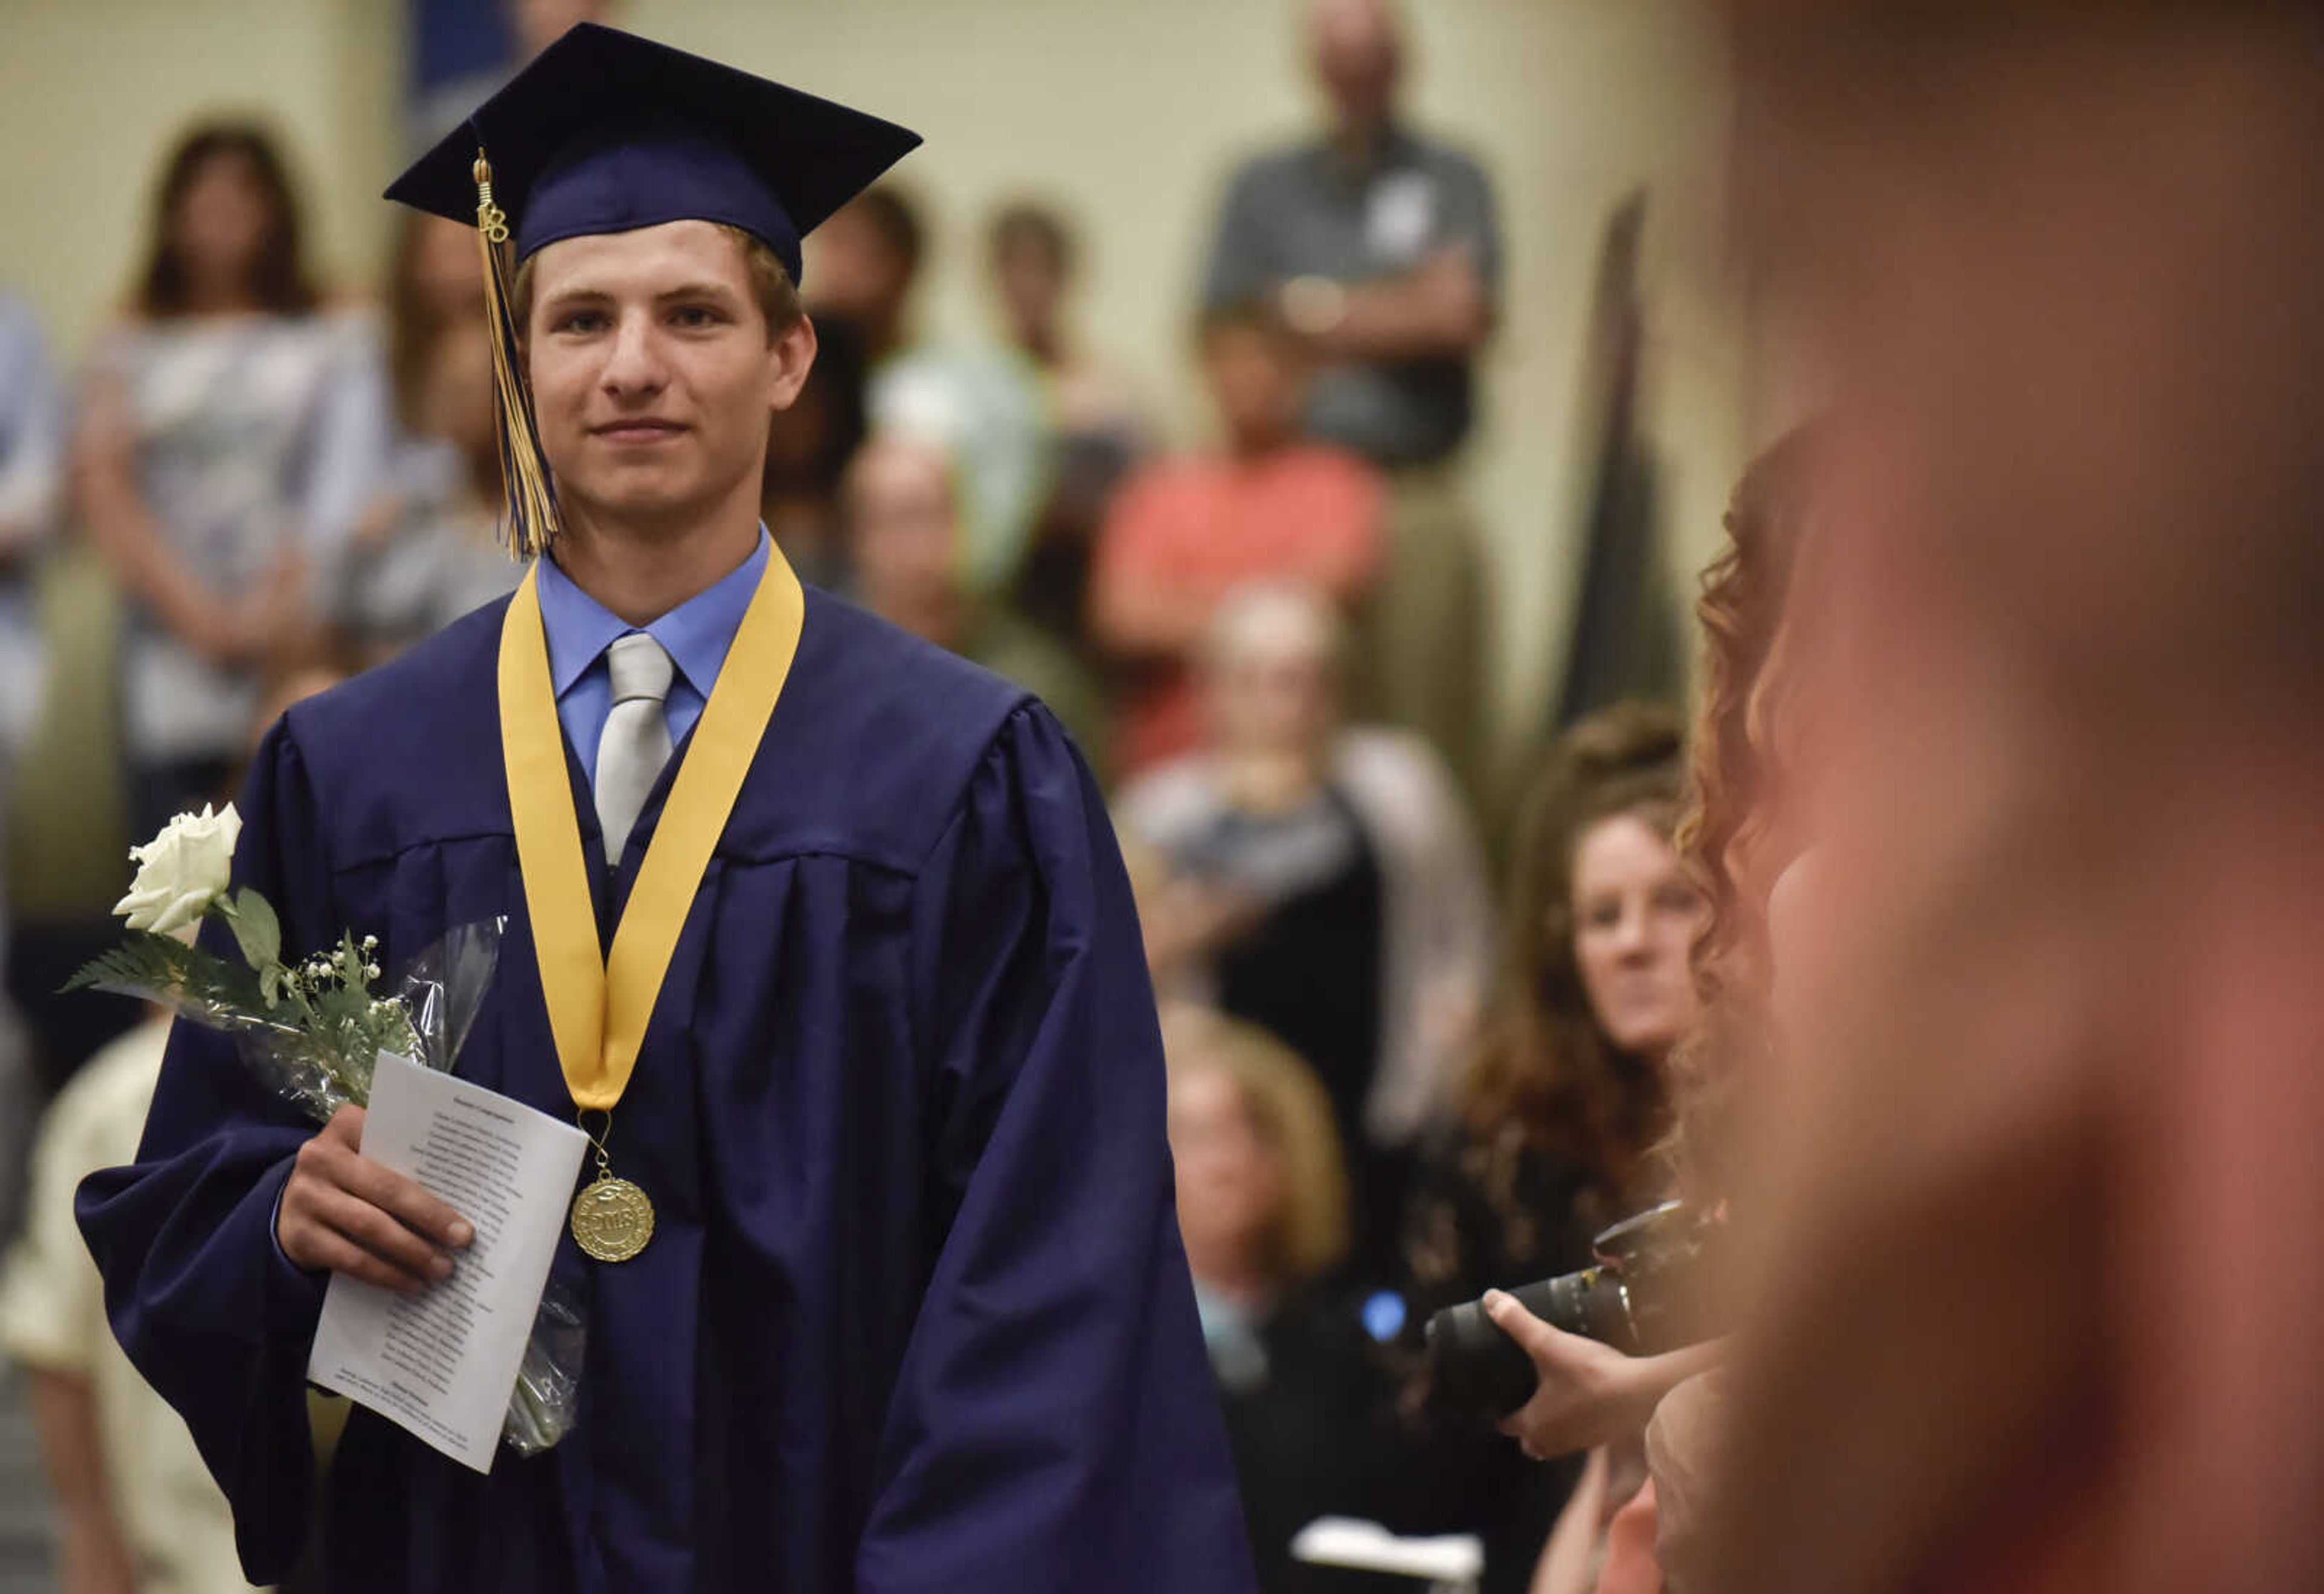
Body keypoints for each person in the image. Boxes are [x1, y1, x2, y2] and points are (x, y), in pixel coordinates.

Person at [76, 24, 1253, 1594]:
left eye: (693, 312)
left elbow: (1055, 1287)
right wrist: (285, 1226)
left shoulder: (966, 780)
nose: (632, 362)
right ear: (520, 360)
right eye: (581, 318)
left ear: (790, 358)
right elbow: (192, 1201)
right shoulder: (355, 775)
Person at [1380, 702, 1703, 1594]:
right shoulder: (1505, 1132)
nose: (1633, 943)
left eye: (1674, 902)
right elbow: (1431, 1416)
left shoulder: (1783, 1113)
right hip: (1542, 1522)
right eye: (1603, 917)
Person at [1117, 581, 1492, 1280]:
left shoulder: (1401, 787)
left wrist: (1450, 1050)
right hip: (1228, 1124)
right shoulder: (1162, 815)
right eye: (1258, 680)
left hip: (1380, 1106)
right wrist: (1185, 931)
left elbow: (1460, 931)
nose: (1286, 703)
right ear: (1214, 691)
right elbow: (1114, 983)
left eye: (1306, 679)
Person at [1200, 0, 1500, 796]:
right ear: (1315, 67)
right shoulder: (1261, 185)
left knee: (1432, 738)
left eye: (1373, 56)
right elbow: (1231, 328)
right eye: (1340, 58)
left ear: (1402, 62)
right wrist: (1403, 308)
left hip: (1416, 493)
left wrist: (1311, 311)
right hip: (1293, 489)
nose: (1357, 75)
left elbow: (1460, 314)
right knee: (1292, 727)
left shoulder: (1452, 176)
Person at [73, 118, 389, 840]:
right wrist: (196, 613)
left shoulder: (333, 323)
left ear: (278, 209)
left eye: (241, 198)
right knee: (177, 885)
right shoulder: (131, 332)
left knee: (297, 870)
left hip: (302, 628)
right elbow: (102, 482)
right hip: (169, 638)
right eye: (202, 200)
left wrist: (284, 600)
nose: (221, 218)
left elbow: (351, 476)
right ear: (173, 214)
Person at [1163, 1004, 1408, 1594]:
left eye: (1249, 1129)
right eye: (1193, 1135)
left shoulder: (1346, 1350)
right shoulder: (1118, 1354)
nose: (1226, 1161)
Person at [1091, 300, 1384, 776]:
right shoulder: (1158, 489)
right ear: (1206, 370)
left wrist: (1182, 602)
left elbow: (1331, 592)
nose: (1248, 376)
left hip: (1302, 770)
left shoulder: (1339, 482)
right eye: (1231, 359)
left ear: (1298, 373)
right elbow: (1123, 617)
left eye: (1264, 358)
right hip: (1169, 766)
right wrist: (1267, 596)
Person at [844, 429, 1109, 769]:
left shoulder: (1035, 684)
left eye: (933, 516)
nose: (918, 546)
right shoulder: (828, 679)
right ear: (858, 539)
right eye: (899, 520)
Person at [328, 216, 521, 664]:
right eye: (454, 392)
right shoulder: (412, 513)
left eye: (480, 390)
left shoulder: (550, 513)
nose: (455, 271)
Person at [986, 201, 1152, 653]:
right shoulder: (968, 386)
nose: (1026, 287)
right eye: (1013, 269)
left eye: (1039, 269)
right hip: (991, 605)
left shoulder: (1113, 392)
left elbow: (1143, 503)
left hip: (1086, 601)